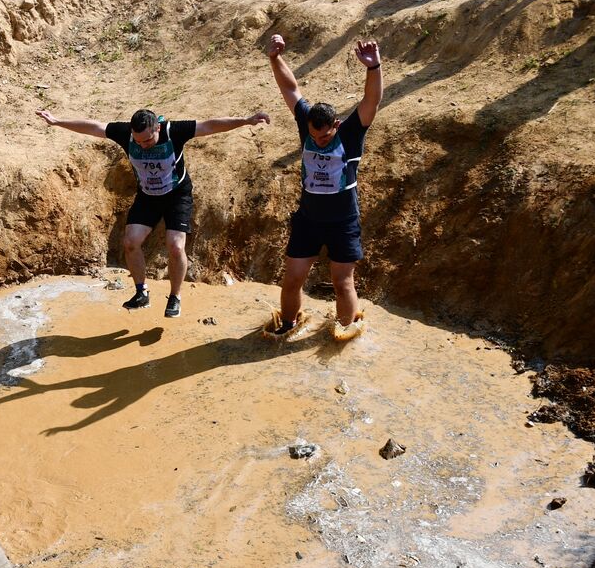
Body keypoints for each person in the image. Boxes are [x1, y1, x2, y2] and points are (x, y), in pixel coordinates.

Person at [36, 106, 270, 318]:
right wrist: (57, 122)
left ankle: (175, 297)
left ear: (157, 127)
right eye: (138, 142)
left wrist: (246, 120)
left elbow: (210, 125)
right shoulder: (125, 134)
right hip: (148, 196)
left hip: (177, 194)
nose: (143, 145)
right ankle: (141, 293)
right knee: (130, 242)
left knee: (175, 245)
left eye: (148, 140)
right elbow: (94, 127)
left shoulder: (172, 131)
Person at [264, 34, 384, 340]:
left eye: (325, 137)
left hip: (343, 222)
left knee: (342, 282)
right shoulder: (307, 122)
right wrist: (275, 58)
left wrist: (374, 67)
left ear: (336, 126)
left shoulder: (352, 132)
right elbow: (290, 89)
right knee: (292, 279)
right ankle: (288, 328)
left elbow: (371, 101)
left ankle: (345, 334)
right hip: (308, 220)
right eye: (314, 137)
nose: (319, 141)